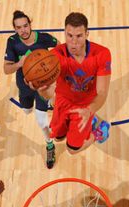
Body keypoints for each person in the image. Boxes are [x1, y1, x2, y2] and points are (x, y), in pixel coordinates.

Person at [33, 12, 112, 155]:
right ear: (64, 33)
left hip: (85, 106)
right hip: (63, 101)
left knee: (72, 150)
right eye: (70, 35)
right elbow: (47, 91)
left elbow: (102, 92)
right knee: (58, 138)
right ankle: (89, 123)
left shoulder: (102, 54)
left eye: (79, 36)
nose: (74, 41)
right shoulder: (56, 56)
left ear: (87, 34)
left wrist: (90, 110)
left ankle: (100, 132)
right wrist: (40, 88)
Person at [3, 10, 60, 169]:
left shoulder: (43, 38)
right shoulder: (13, 42)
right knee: (27, 110)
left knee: (41, 120)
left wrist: (53, 64)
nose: (23, 30)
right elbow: (6, 69)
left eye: (26, 26)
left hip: (42, 87)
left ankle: (49, 145)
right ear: (15, 29)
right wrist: (19, 64)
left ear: (30, 24)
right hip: (24, 87)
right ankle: (49, 104)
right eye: (19, 27)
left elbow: (60, 47)